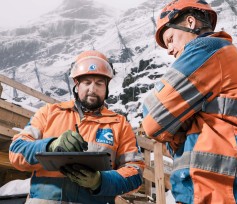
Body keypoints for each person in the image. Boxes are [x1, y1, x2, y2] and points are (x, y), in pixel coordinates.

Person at [142, 0, 237, 203]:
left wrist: (175, 127)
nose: (169, 50)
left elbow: (152, 120)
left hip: (228, 188)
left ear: (190, 22)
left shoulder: (207, 48)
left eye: (170, 39)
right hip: (222, 187)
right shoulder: (217, 58)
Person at [9, 50, 145, 204]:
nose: (92, 89)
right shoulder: (49, 113)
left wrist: (100, 181)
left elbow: (135, 173)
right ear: (77, 84)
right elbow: (16, 151)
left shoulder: (120, 125)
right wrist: (50, 146)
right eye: (87, 82)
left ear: (107, 86)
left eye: (99, 83)